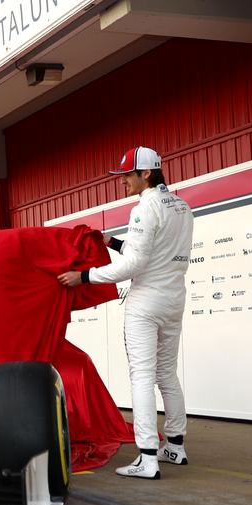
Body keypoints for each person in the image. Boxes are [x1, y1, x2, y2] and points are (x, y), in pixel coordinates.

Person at [59, 146, 195, 480]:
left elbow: (134, 264)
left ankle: (147, 457)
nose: (123, 183)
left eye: (127, 176)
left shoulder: (143, 209)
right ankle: (175, 446)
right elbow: (152, 251)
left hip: (146, 302)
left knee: (142, 376)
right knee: (166, 373)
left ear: (146, 173)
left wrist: (84, 277)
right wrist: (110, 240)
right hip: (174, 298)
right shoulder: (182, 206)